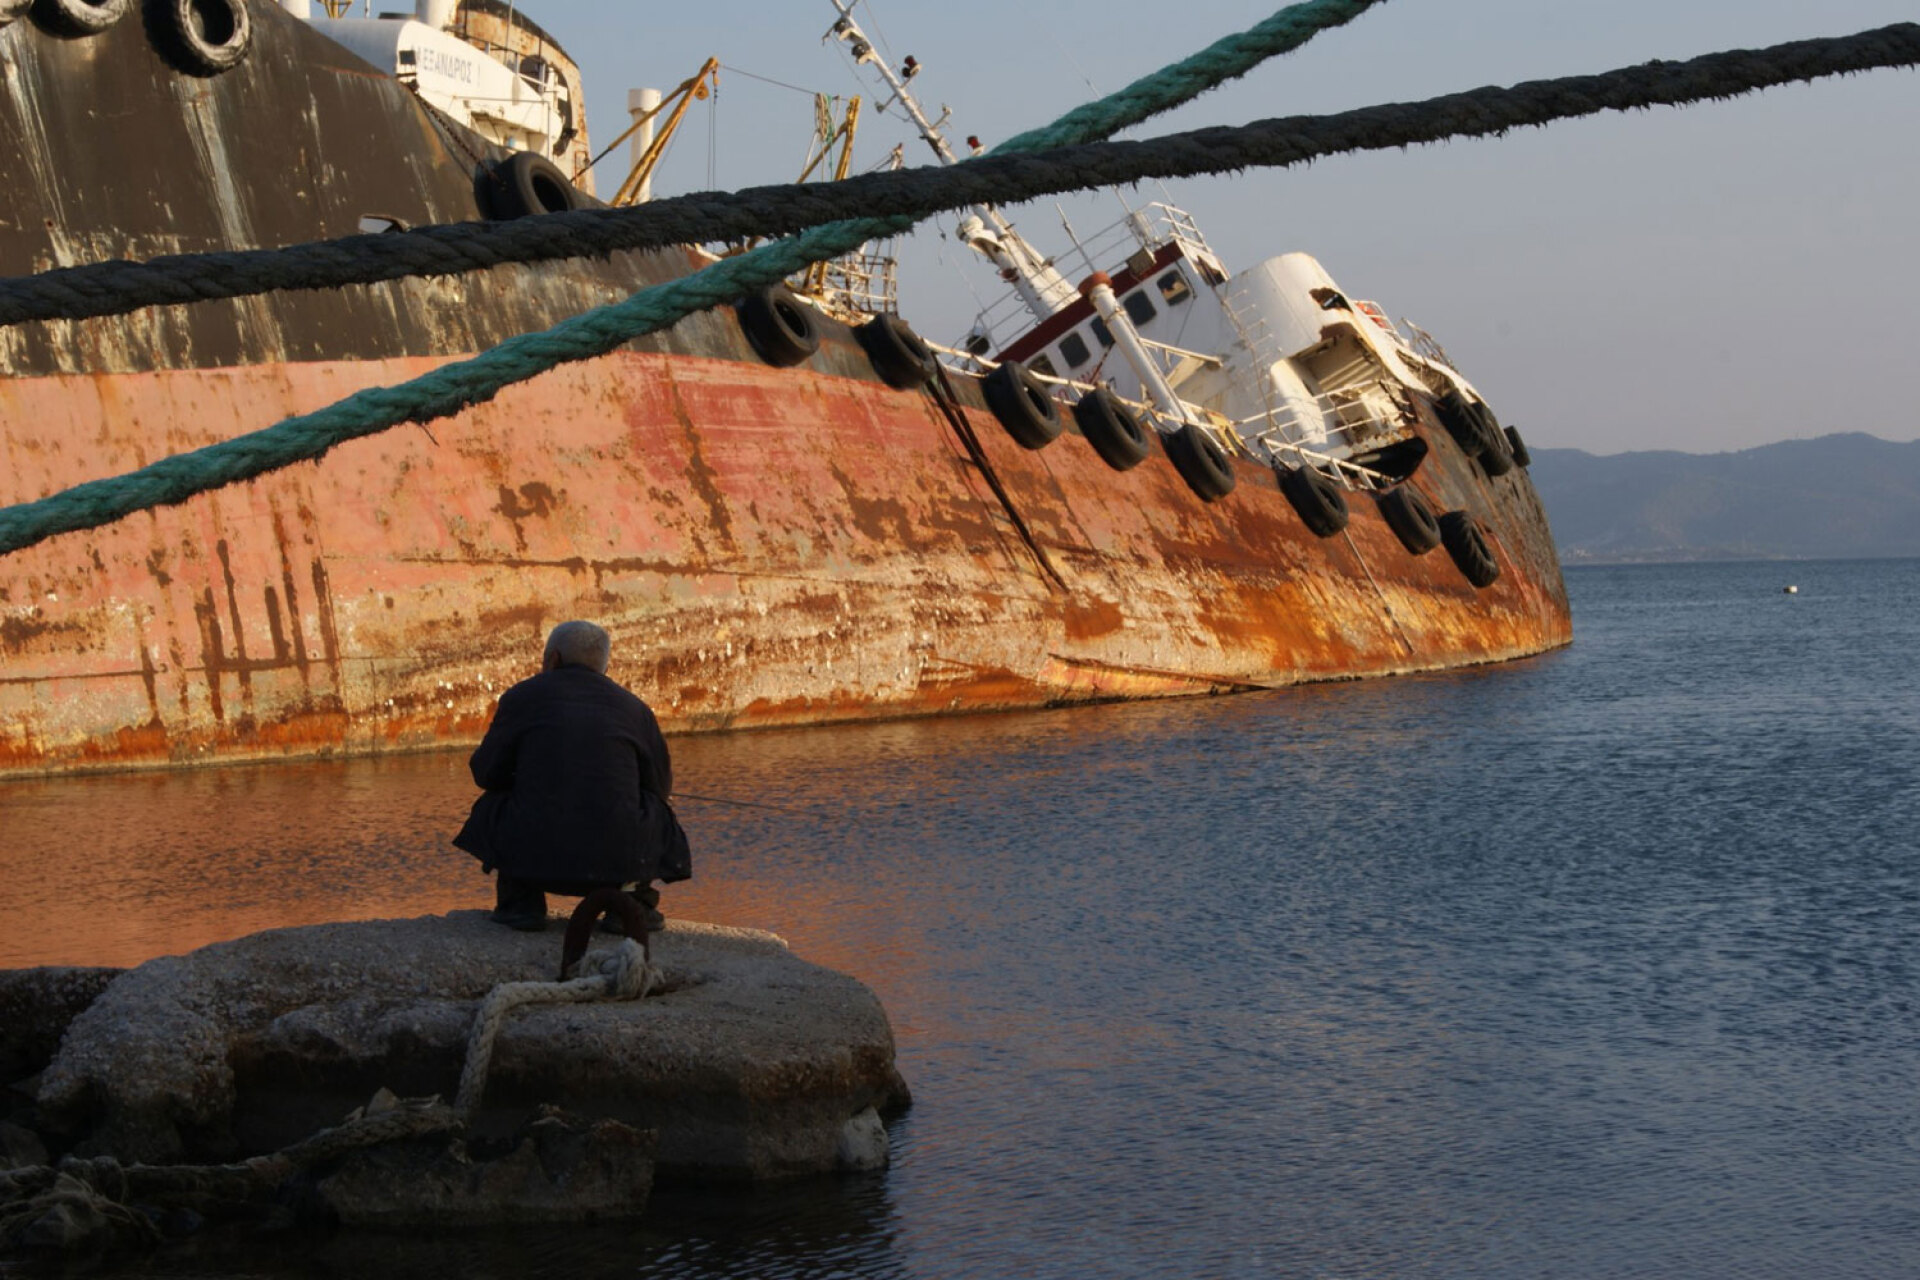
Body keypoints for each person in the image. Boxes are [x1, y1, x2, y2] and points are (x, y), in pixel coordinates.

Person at [453, 620, 691, 932]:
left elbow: (485, 774)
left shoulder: (521, 698)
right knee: (654, 809)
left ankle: (521, 904)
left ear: (553, 659)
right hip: (616, 862)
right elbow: (660, 787)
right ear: (603, 666)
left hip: (535, 860)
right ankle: (632, 905)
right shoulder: (635, 709)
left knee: (492, 803)